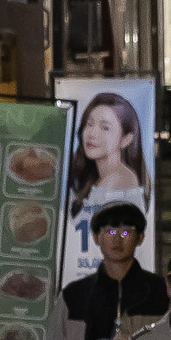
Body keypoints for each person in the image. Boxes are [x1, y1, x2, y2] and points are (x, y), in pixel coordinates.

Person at [61, 200, 169, 340]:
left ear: (140, 238)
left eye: (126, 232)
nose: (117, 239)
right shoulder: (73, 296)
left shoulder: (162, 293)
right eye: (110, 232)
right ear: (96, 237)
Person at [66, 93, 151, 238]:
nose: (92, 133)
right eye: (89, 124)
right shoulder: (94, 176)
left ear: (126, 139)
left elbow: (79, 233)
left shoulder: (118, 179)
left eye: (105, 128)